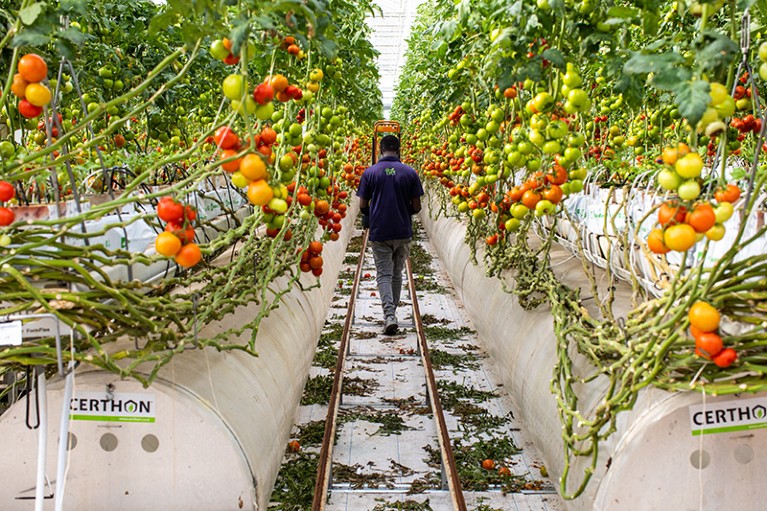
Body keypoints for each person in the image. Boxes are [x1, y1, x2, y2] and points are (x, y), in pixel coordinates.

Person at [357, 134, 424, 335]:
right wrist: (403, 213)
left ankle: (389, 316)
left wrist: (374, 215)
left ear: (380, 149)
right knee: (397, 274)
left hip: (380, 232)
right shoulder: (410, 172)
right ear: (399, 149)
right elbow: (416, 206)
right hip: (403, 231)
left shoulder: (370, 172)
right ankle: (391, 314)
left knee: (384, 274)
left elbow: (362, 205)